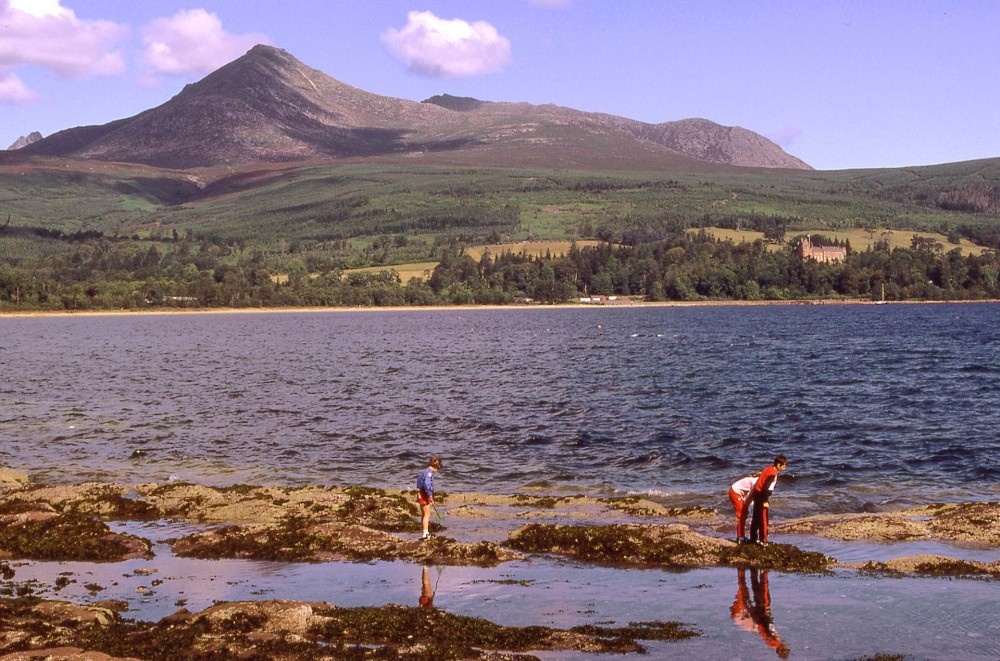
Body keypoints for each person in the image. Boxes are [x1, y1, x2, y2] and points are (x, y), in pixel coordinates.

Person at [749, 454, 787, 546]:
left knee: (756, 517)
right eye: (784, 466)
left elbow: (762, 476)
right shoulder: (773, 473)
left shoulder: (768, 468)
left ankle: (753, 538)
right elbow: (765, 487)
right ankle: (763, 540)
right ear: (778, 465)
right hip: (761, 495)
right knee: (763, 519)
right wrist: (765, 500)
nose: (784, 468)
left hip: (756, 494)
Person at [416, 456, 442, 539]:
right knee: (427, 514)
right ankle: (425, 533)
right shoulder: (429, 473)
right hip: (424, 494)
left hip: (421, 493)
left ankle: (424, 531)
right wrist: (430, 496)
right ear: (437, 466)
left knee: (424, 513)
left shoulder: (426, 471)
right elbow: (427, 485)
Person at [728, 473, 758, 544]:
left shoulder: (757, 481)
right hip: (735, 492)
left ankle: (741, 536)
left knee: (744, 514)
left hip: (739, 493)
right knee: (741, 515)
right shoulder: (755, 483)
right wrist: (746, 506)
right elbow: (750, 496)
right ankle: (740, 537)